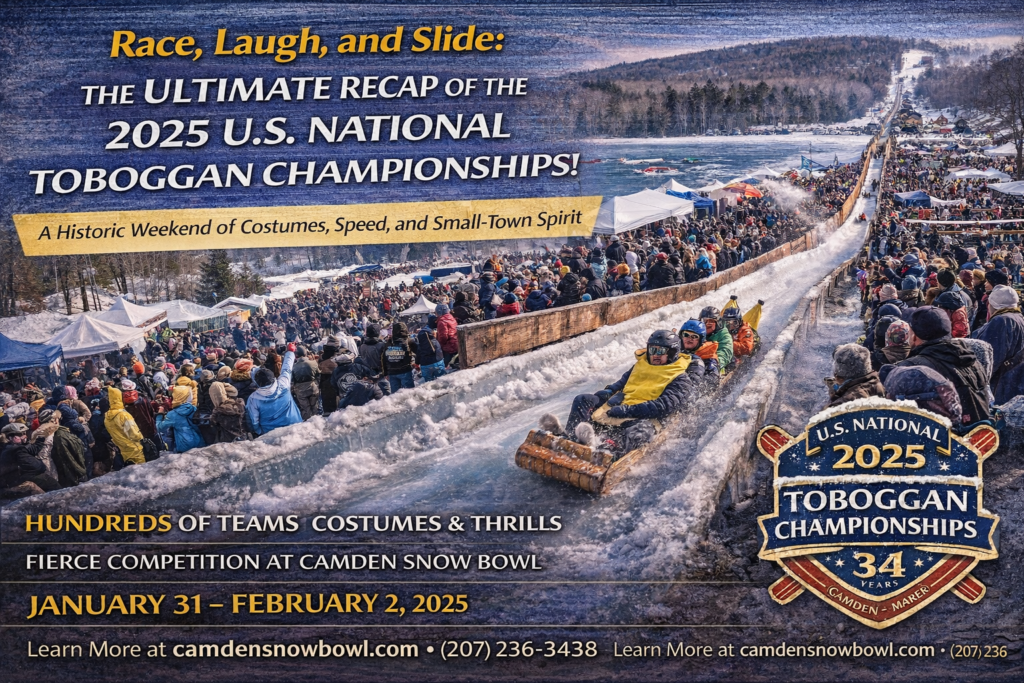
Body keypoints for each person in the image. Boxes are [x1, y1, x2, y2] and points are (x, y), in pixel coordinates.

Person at [541, 330, 703, 456]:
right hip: (623, 404)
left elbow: (664, 406)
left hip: (646, 415)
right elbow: (622, 383)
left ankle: (606, 451)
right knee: (583, 399)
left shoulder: (681, 378)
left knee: (640, 431)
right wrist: (608, 392)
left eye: (661, 351)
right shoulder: (641, 365)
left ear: (672, 353)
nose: (655, 355)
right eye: (653, 349)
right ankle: (572, 437)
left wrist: (629, 410)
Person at [882, 306, 991, 427]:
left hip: (945, 440)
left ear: (914, 336)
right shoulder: (971, 359)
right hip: (980, 435)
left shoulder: (911, 368)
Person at [971, 284, 1024, 405]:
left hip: (1002, 385)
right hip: (1014, 383)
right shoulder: (1018, 317)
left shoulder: (1001, 321)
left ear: (992, 304)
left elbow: (990, 359)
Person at [246, 343, 304, 436]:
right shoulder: (283, 384)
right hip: (294, 426)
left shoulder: (253, 399)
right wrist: (290, 352)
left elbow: (254, 421)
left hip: (271, 433)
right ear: (273, 378)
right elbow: (287, 367)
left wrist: (259, 432)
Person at [0, 423, 60, 495]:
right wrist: (41, 464)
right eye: (21, 434)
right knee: (51, 483)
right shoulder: (16, 450)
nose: (25, 436)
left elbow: (30, 449)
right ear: (10, 437)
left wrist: (40, 439)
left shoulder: (9, 447)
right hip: (15, 479)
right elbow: (35, 467)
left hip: (10, 478)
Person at [104, 386, 147, 466]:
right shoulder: (124, 415)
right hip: (135, 449)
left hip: (123, 449)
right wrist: (142, 439)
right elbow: (134, 434)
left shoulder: (107, 417)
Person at [156, 385, 206, 453]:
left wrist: (159, 414)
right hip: (199, 442)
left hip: (184, 447)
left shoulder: (173, 414)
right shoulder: (193, 408)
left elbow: (159, 428)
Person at [383, 322, 417, 393]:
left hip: (392, 372)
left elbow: (383, 358)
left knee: (395, 396)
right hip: (405, 371)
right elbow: (419, 352)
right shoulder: (408, 340)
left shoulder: (388, 342)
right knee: (409, 394)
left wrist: (385, 373)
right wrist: (417, 363)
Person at [290, 346, 321, 421]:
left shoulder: (294, 366)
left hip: (300, 391)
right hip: (313, 387)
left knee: (305, 410)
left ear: (296, 355)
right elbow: (318, 375)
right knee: (315, 408)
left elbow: (292, 380)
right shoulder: (313, 363)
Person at [698, 306, 733, 372]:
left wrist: (715, 363)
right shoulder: (696, 333)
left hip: (714, 368)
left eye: (711, 321)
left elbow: (725, 352)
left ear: (717, 323)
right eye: (704, 321)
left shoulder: (724, 335)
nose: (707, 324)